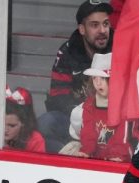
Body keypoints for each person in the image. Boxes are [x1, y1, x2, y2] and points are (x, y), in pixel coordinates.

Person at [38, 0, 113, 154]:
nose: (102, 30)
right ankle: (75, 154)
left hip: (112, 122)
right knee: (46, 123)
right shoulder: (67, 52)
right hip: (77, 120)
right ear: (82, 29)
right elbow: (58, 96)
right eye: (94, 25)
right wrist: (82, 117)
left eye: (105, 24)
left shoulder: (120, 47)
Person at [66, 53, 136, 162]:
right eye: (94, 78)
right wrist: (86, 151)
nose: (98, 83)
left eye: (103, 78)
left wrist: (115, 155)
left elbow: (123, 138)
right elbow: (88, 133)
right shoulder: (89, 104)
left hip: (121, 157)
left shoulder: (126, 106)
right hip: (96, 156)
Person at [0, 87, 46, 152]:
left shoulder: (35, 141)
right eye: (1, 124)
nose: (5, 130)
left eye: (11, 125)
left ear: (24, 123)